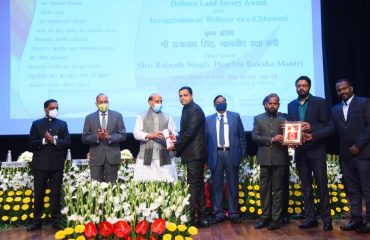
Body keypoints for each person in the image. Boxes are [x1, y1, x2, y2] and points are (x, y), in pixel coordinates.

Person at [287, 76, 333, 231]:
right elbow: (291, 127)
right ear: (295, 87)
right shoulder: (291, 105)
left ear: (309, 87)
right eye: (298, 85)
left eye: (304, 86)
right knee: (306, 187)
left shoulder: (320, 102)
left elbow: (329, 126)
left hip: (317, 150)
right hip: (300, 152)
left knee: (322, 186)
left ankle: (327, 220)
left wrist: (312, 130)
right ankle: (310, 219)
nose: (301, 88)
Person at [331, 79, 370, 234]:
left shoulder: (364, 102)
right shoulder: (335, 109)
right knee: (353, 190)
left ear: (351, 88)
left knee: (367, 189)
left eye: (345, 88)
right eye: (339, 90)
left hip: (363, 153)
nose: (342, 92)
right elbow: (331, 129)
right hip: (346, 155)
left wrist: (358, 145)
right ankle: (356, 219)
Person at [168, 86, 209, 228]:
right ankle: (203, 218)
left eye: (185, 95)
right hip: (192, 154)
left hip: (195, 154)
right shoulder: (187, 109)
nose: (182, 98)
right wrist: (176, 139)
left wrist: (175, 145)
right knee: (197, 185)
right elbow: (186, 132)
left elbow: (190, 133)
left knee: (193, 185)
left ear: (191, 96)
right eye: (180, 96)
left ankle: (191, 219)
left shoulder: (195, 110)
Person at [27, 99, 71, 231]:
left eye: (56, 107)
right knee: (39, 194)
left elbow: (68, 142)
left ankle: (56, 221)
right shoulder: (37, 124)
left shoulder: (62, 124)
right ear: (46, 109)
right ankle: (37, 222)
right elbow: (31, 143)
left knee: (55, 194)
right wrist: (44, 140)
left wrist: (54, 141)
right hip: (40, 165)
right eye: (52, 108)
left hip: (56, 165)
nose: (55, 110)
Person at [205, 95, 246, 224]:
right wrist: (205, 159)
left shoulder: (235, 116)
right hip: (215, 154)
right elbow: (205, 141)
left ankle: (233, 212)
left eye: (223, 101)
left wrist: (242, 154)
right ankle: (218, 213)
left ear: (226, 103)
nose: (221, 103)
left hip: (231, 154)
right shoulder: (208, 120)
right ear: (214, 105)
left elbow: (242, 137)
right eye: (218, 102)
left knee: (233, 185)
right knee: (216, 185)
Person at [252, 93, 289, 230]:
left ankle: (276, 219)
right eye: (270, 103)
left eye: (276, 103)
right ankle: (265, 217)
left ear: (278, 105)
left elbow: (291, 136)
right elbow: (255, 137)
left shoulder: (284, 119)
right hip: (264, 159)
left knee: (278, 190)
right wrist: (271, 139)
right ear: (265, 104)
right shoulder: (258, 118)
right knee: (264, 190)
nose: (273, 106)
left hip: (280, 159)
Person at [81, 93, 126, 183]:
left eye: (105, 101)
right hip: (96, 157)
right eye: (101, 102)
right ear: (96, 104)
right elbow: (84, 138)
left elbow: (123, 135)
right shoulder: (89, 118)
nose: (103, 104)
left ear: (108, 102)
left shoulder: (117, 116)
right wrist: (97, 136)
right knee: (96, 187)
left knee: (112, 186)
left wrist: (109, 137)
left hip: (112, 156)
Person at [133, 93, 178, 181]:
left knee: (167, 184)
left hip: (164, 156)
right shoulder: (141, 116)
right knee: (145, 184)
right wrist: (150, 135)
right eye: (157, 101)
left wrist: (170, 132)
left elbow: (175, 133)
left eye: (161, 101)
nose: (159, 104)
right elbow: (136, 133)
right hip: (146, 156)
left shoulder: (168, 116)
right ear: (150, 102)